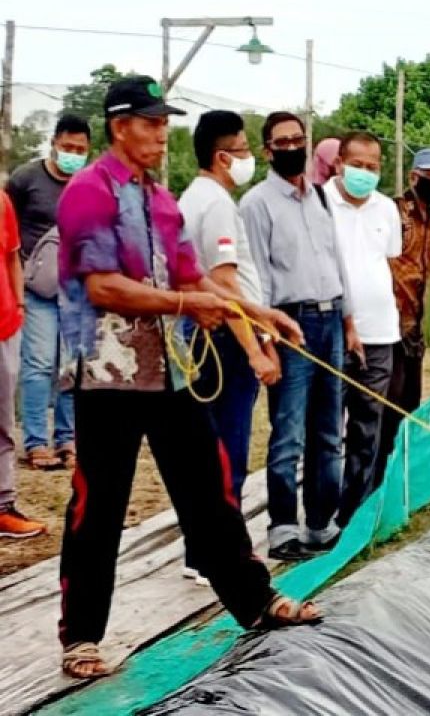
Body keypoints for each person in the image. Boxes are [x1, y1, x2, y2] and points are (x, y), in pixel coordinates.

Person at [56, 76, 318, 680]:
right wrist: (181, 306)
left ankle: (255, 602)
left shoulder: (160, 200)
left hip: (170, 371)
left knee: (210, 489)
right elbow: (102, 287)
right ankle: (82, 638)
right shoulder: (89, 193)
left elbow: (194, 278)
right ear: (120, 126)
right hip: (108, 372)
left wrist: (257, 312)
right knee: (99, 506)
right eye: (150, 123)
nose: (160, 132)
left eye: (163, 121)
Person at [241, 111, 358, 561]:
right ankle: (283, 528)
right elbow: (257, 277)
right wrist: (266, 338)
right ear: (268, 150)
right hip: (290, 321)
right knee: (288, 429)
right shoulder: (257, 204)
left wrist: (347, 320)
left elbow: (335, 261)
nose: (292, 146)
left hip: (329, 319)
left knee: (330, 429)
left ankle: (320, 524)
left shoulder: (320, 199)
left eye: (298, 138)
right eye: (282, 141)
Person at [177, 111, 281, 583]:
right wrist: (255, 347)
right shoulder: (216, 203)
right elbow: (223, 284)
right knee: (226, 448)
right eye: (241, 150)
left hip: (211, 337)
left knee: (209, 448)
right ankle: (217, 555)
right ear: (222, 156)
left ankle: (203, 549)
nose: (248, 158)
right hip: (223, 340)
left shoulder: (196, 197)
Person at [324, 132, 403, 529]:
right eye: (357, 165)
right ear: (339, 162)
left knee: (367, 426)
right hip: (333, 333)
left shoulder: (386, 209)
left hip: (380, 332)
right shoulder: (319, 203)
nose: (365, 173)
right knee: (326, 427)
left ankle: (356, 513)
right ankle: (321, 513)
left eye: (373, 167)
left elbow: (387, 258)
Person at [8, 113, 91, 471]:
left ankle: (67, 438)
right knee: (40, 364)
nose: (73, 153)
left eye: (80, 149)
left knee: (73, 367)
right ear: (54, 143)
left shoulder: (88, 183)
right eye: (67, 146)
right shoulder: (26, 179)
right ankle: (37, 441)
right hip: (37, 290)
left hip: (77, 291)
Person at [378, 148, 430, 481]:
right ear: (413, 176)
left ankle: (401, 473)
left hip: (414, 323)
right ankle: (378, 475)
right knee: (387, 405)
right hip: (389, 321)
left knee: (410, 402)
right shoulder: (394, 213)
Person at [0, 190, 47, 539]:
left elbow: (13, 257)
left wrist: (18, 306)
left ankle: (3, 506)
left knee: (2, 420)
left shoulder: (2, 202)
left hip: (4, 326)